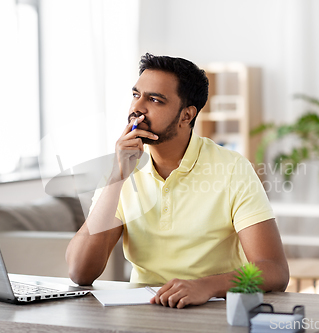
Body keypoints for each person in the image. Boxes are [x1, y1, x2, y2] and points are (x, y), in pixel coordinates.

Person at [65, 53, 289, 309]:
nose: (137, 108)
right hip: (142, 312)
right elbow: (80, 272)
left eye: (155, 100)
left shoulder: (233, 168)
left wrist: (207, 285)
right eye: (136, 95)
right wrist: (118, 176)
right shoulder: (120, 171)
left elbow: (274, 270)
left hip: (212, 310)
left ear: (186, 116)